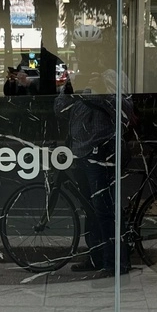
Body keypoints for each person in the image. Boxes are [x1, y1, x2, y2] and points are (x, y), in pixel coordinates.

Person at [54, 66, 132, 277]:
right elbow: (58, 109)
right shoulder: (79, 76)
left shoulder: (111, 76)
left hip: (102, 153)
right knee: (89, 208)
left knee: (105, 209)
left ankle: (115, 263)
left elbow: (126, 110)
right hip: (80, 153)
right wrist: (69, 88)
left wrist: (102, 92)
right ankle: (96, 258)